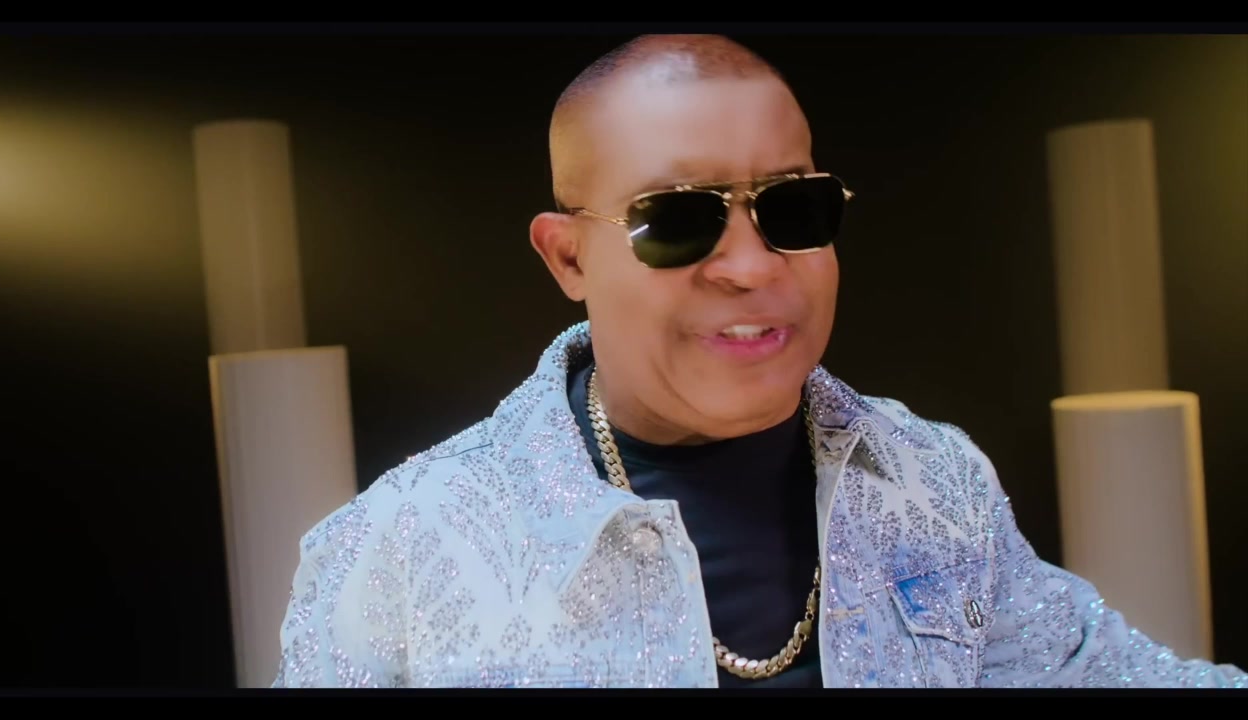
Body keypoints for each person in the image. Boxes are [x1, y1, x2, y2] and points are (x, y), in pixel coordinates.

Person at [269, 34, 1247, 689]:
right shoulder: (399, 548)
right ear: (567, 258)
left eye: (792, 207)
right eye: (676, 221)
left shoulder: (933, 481)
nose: (749, 266)